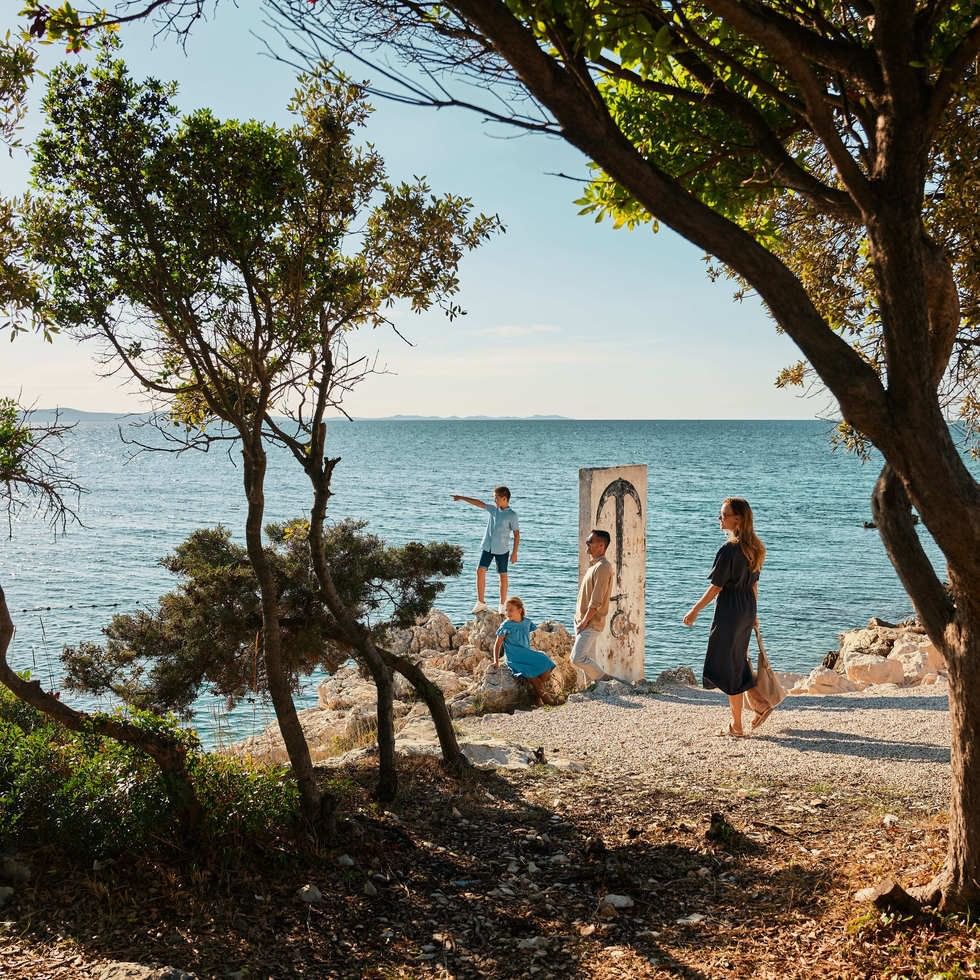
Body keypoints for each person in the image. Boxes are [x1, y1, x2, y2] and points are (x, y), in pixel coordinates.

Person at [683, 496, 766, 737]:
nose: (720, 519)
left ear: (738, 519)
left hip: (730, 609)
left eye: (724, 515)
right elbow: (754, 586)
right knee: (736, 660)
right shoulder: (756, 547)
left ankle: (740, 723)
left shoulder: (729, 549)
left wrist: (695, 610)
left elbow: (716, 587)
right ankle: (752, 711)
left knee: (725, 664)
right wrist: (755, 613)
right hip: (747, 608)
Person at [452, 486, 520, 614]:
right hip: (487, 547)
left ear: (504, 498)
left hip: (502, 550)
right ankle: (480, 602)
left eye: (496, 498)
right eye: (494, 498)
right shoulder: (493, 510)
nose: (494, 500)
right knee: (480, 571)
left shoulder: (512, 515)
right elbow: (479, 503)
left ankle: (501, 605)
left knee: (503, 577)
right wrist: (461, 497)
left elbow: (517, 535)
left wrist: (515, 553)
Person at [571, 528, 616, 684]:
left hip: (590, 622)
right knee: (587, 660)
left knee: (577, 658)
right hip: (582, 621)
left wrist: (584, 622)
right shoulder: (594, 565)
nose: (587, 544)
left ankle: (605, 680)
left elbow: (596, 601)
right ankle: (593, 691)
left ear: (601, 546)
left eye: (590, 542)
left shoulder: (603, 567)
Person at [494, 596, 557, 706]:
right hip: (514, 657)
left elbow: (537, 631)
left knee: (546, 661)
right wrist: (496, 661)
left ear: (520, 610)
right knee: (531, 674)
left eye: (510, 610)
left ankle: (536, 695)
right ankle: (547, 700)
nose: (507, 613)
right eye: (506, 610)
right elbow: (497, 644)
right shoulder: (506, 625)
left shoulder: (527, 622)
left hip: (526, 653)